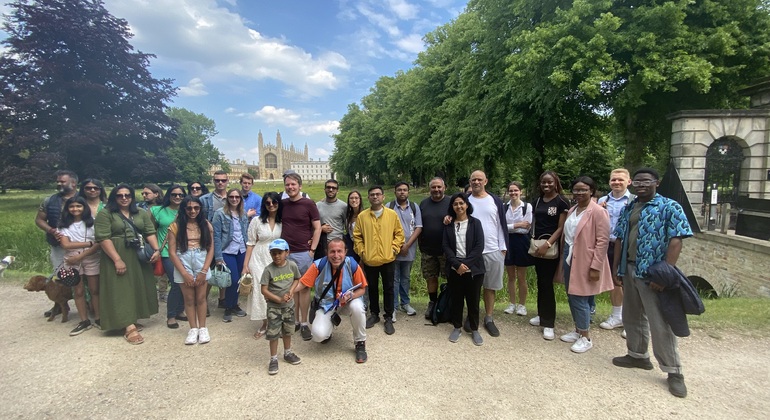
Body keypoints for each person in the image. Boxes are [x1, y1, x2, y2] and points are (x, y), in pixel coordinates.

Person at [611, 168, 693, 398]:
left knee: (659, 322)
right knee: (632, 315)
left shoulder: (669, 206)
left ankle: (673, 370)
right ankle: (637, 356)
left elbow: (676, 240)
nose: (641, 185)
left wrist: (665, 274)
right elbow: (619, 238)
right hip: (629, 267)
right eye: (637, 181)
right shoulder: (629, 207)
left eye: (646, 181)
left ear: (656, 182)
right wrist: (616, 268)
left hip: (653, 272)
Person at [95, 184, 160, 345]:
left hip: (137, 253)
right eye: (120, 195)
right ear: (114, 197)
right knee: (121, 289)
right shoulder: (106, 214)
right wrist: (117, 259)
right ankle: (129, 326)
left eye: (127, 195)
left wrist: (156, 250)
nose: (124, 198)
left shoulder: (140, 212)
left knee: (137, 286)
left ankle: (132, 318)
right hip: (117, 253)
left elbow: (149, 232)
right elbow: (103, 238)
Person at [556, 177, 614, 353]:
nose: (579, 193)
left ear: (591, 191)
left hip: (586, 259)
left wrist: (596, 266)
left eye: (583, 189)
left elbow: (602, 241)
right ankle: (578, 330)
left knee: (580, 297)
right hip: (570, 256)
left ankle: (585, 337)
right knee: (571, 294)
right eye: (576, 189)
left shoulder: (598, 212)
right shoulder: (573, 209)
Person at [293, 238, 369, 363]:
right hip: (327, 304)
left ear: (345, 252)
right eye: (332, 251)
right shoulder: (319, 265)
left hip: (348, 302)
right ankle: (327, 331)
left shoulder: (352, 264)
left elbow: (362, 289)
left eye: (339, 251)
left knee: (357, 307)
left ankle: (360, 342)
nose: (336, 255)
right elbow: (302, 283)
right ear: (326, 252)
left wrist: (350, 296)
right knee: (318, 336)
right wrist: (288, 292)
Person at [353, 186, 405, 336]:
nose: (375, 197)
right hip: (370, 259)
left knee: (389, 288)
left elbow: (399, 234)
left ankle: (388, 317)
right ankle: (374, 314)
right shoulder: (362, 216)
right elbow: (357, 236)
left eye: (377, 194)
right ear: (368, 197)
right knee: (372, 288)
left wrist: (394, 249)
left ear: (383, 197)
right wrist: (362, 252)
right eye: (372, 195)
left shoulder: (392, 215)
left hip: (388, 259)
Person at [529, 171, 571, 340]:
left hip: (550, 247)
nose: (546, 185)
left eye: (549, 182)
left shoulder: (562, 202)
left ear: (556, 183)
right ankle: (541, 314)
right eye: (543, 182)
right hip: (537, 247)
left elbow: (561, 227)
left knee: (547, 284)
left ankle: (549, 323)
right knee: (541, 282)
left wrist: (547, 245)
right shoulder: (537, 201)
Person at [168, 196, 214, 345]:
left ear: (200, 209)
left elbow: (210, 248)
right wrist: (184, 273)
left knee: (201, 298)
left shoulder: (205, 225)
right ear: (184, 209)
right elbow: (172, 252)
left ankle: (203, 328)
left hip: (201, 259)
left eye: (196, 208)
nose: (192, 211)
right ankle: (193, 328)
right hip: (183, 259)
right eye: (189, 208)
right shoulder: (175, 226)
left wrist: (204, 271)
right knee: (188, 299)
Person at [467, 170, 508, 337]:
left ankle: (489, 318)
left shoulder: (495, 201)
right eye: (473, 179)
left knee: (490, 287)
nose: (476, 182)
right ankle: (472, 316)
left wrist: (502, 248)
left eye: (479, 179)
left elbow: (501, 224)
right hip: (470, 253)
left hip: (492, 249)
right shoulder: (465, 200)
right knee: (472, 288)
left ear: (486, 181)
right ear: (470, 182)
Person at [281, 171, 321, 341]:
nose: (290, 187)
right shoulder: (282, 204)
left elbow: (317, 228)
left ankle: (304, 323)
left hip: (304, 253)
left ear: (300, 186)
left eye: (293, 184)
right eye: (287, 184)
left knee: (304, 288)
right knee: (290, 287)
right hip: (286, 254)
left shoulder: (308, 204)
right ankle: (295, 320)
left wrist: (312, 250)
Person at [443, 193, 486, 345]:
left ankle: (474, 329)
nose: (459, 206)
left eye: (461, 203)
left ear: (467, 205)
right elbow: (446, 246)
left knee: (473, 301)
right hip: (455, 269)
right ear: (452, 207)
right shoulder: (448, 224)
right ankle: (457, 327)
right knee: (457, 300)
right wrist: (457, 265)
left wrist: (465, 265)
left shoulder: (475, 223)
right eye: (455, 204)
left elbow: (479, 246)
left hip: (473, 269)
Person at [596, 168, 635, 334]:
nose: (616, 182)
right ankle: (617, 315)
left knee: (628, 282)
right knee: (614, 280)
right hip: (607, 245)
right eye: (613, 180)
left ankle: (631, 320)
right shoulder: (603, 200)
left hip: (626, 246)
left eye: (620, 180)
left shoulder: (635, 200)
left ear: (629, 182)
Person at [58, 196, 101, 336]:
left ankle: (99, 318)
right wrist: (89, 243)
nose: (75, 209)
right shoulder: (63, 225)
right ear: (67, 209)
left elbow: (99, 243)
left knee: (95, 289)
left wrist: (81, 254)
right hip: (71, 259)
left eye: (78, 206)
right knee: (78, 291)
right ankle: (84, 320)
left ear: (84, 207)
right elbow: (65, 244)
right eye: (72, 206)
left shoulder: (92, 222)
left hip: (91, 257)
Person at [243, 191, 283, 339]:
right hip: (258, 258)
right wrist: (245, 265)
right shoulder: (257, 221)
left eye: (274, 202)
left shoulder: (282, 221)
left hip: (276, 258)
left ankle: (276, 322)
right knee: (261, 292)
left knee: (277, 290)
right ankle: (265, 324)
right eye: (268, 203)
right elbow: (250, 243)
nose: (271, 205)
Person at [260, 239, 302, 375]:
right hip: (274, 308)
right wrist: (277, 299)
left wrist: (291, 291)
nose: (277, 256)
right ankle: (273, 358)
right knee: (273, 333)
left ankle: (287, 352)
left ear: (287, 253)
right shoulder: (268, 270)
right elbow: (264, 289)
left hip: (289, 306)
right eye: (273, 253)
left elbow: (297, 279)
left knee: (288, 330)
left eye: (279, 253)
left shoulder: (292, 266)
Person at [150, 185, 188, 327]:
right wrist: (155, 249)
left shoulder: (187, 210)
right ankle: (171, 315)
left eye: (180, 195)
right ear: (169, 196)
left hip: (184, 251)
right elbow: (150, 231)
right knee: (176, 282)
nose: (177, 197)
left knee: (184, 282)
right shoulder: (158, 211)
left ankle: (180, 310)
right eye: (174, 194)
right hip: (166, 252)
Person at [213, 188, 250, 322]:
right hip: (227, 250)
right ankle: (228, 307)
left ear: (240, 199)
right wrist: (218, 257)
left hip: (241, 250)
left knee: (240, 279)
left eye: (237, 197)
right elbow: (216, 236)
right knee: (232, 280)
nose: (234, 199)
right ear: (227, 198)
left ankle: (234, 304)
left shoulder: (243, 214)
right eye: (231, 197)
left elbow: (245, 233)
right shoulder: (220, 214)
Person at [387, 182, 422, 319]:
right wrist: (398, 246)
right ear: (395, 192)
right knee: (394, 279)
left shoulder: (414, 207)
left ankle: (405, 303)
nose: (402, 192)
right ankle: (393, 306)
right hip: (393, 250)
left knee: (406, 278)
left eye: (405, 190)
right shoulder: (389, 207)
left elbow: (418, 227)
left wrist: (407, 245)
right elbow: (385, 228)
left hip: (409, 249)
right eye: (399, 190)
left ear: (408, 192)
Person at [419, 177, 452, 319]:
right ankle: (432, 303)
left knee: (450, 278)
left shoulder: (451, 202)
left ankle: (449, 305)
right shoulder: (423, 204)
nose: (436, 190)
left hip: (447, 250)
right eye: (433, 187)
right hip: (428, 250)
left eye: (439, 187)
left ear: (444, 188)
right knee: (431, 278)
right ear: (429, 188)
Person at [36, 170, 79, 273]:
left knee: (83, 275)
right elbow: (39, 220)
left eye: (62, 182)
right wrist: (52, 231)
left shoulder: (85, 199)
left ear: (73, 183)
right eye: (58, 181)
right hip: (58, 245)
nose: (59, 184)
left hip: (81, 244)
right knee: (61, 274)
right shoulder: (49, 200)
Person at [503, 181, 533, 316]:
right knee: (510, 276)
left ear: (521, 191)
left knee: (521, 276)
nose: (513, 193)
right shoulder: (504, 207)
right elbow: (502, 227)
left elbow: (526, 227)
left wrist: (511, 226)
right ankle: (512, 303)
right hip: (508, 242)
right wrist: (517, 225)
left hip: (522, 242)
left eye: (516, 190)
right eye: (511, 191)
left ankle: (522, 305)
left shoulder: (527, 207)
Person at [201, 171, 229, 310]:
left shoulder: (233, 197)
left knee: (224, 269)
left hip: (227, 239)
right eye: (217, 180)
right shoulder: (205, 199)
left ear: (227, 181)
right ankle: (203, 302)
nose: (220, 183)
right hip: (211, 239)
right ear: (214, 181)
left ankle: (222, 299)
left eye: (223, 180)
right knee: (209, 271)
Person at [315, 179, 347, 259]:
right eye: (328, 187)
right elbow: (312, 225)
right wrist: (320, 228)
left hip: (338, 244)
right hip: (322, 244)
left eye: (334, 188)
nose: (331, 190)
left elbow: (348, 225)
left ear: (337, 191)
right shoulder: (317, 206)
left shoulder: (343, 206)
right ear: (324, 189)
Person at [344, 190, 365, 262]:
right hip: (351, 245)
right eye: (351, 198)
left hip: (362, 245)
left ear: (360, 200)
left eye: (356, 198)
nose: (354, 200)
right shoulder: (349, 214)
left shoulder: (364, 215)